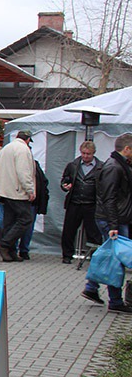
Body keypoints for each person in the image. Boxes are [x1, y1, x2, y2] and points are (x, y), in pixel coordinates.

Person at [81, 133, 132, 313]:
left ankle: (92, 287)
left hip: (115, 218)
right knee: (116, 259)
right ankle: (115, 301)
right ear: (127, 149)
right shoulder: (114, 167)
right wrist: (114, 225)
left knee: (111, 256)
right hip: (113, 219)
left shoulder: (119, 165)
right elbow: (109, 198)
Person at [0, 130, 37, 262]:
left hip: (4, 190)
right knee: (26, 219)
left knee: (9, 222)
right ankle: (4, 244)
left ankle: (10, 252)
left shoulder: (6, 148)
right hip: (16, 191)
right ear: (28, 140)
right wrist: (30, 190)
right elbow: (24, 172)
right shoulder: (23, 150)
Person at [60, 141, 103, 264]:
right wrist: (65, 185)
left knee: (93, 232)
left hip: (91, 204)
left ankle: (94, 257)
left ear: (93, 154)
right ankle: (67, 255)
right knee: (69, 231)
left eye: (88, 154)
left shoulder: (100, 167)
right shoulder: (73, 165)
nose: (85, 156)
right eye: (83, 153)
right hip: (74, 202)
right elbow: (65, 179)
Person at [16, 159, 49, 260]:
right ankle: (20, 249)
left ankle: (22, 249)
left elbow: (42, 183)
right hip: (23, 200)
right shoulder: (33, 165)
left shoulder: (34, 165)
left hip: (29, 201)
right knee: (23, 226)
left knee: (26, 227)